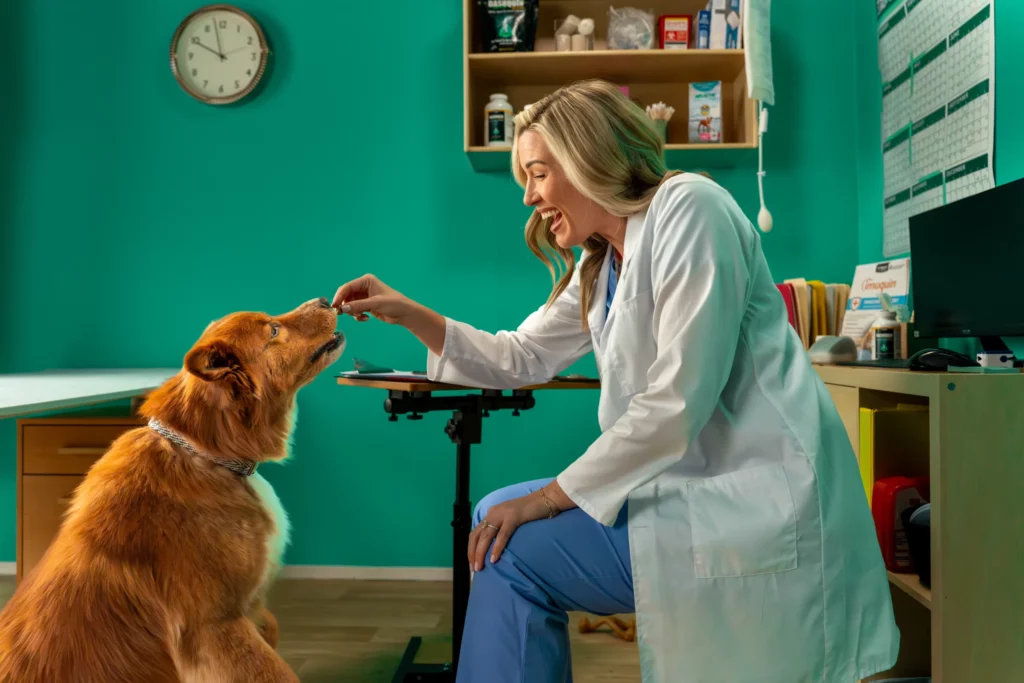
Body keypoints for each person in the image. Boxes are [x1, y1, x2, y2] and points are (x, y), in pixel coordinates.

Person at [333, 79, 899, 683]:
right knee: (494, 512)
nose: (528, 196)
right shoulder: (602, 262)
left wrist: (548, 498)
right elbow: (520, 355)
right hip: (690, 489)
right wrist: (408, 312)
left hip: (753, 502)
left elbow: (676, 403)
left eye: (538, 173)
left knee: (507, 550)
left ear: (587, 158)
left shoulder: (689, 208)